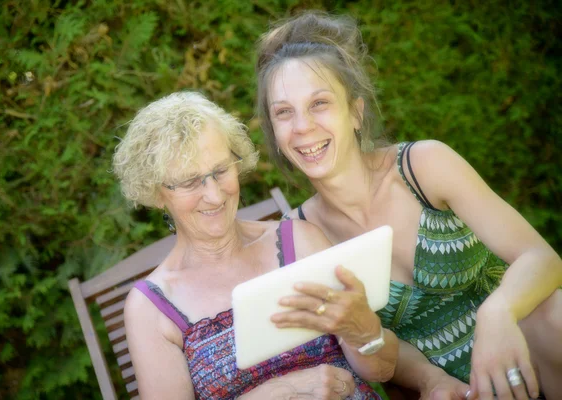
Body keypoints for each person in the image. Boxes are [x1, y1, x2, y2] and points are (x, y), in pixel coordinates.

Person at [255, 11, 562, 400]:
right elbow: (362, 340)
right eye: (284, 112)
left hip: (526, 344)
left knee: (555, 314)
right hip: (449, 390)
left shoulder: (422, 167)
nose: (302, 127)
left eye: (319, 103)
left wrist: (497, 314)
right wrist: (431, 381)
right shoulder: (299, 234)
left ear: (355, 111)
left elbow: (541, 258)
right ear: (275, 132)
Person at [113, 91, 398, 399]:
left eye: (220, 171)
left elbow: (382, 370)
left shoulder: (299, 241)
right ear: (157, 194)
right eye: (189, 182)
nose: (215, 195)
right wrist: (283, 390)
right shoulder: (151, 308)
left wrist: (365, 332)